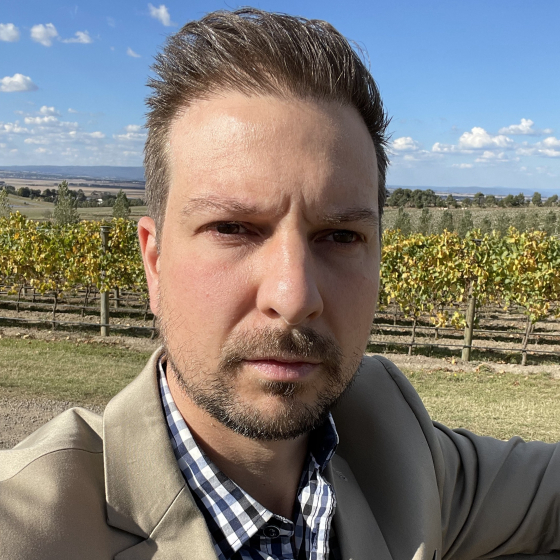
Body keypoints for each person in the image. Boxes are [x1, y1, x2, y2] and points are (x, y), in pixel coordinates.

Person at [1, 8, 560, 560]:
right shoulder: (27, 527)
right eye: (232, 228)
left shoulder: (395, 444)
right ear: (154, 261)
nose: (294, 299)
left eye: (340, 236)